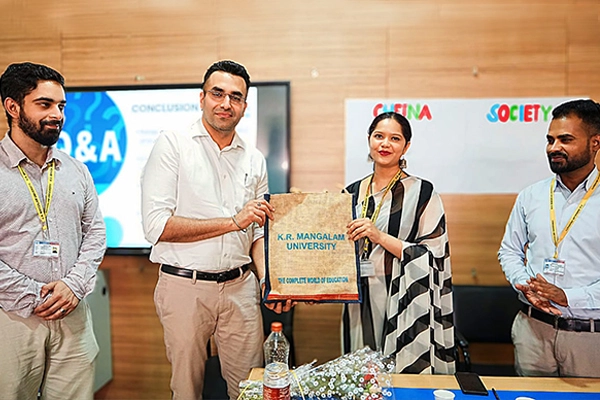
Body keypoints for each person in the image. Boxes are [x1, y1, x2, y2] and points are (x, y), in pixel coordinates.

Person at [141, 60, 291, 400]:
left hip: (241, 287)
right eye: (217, 94)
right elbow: (156, 226)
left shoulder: (254, 158)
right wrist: (233, 222)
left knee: (250, 390)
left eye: (235, 97)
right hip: (184, 287)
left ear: (245, 106)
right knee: (187, 390)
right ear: (202, 98)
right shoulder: (173, 144)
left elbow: (257, 232)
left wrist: (266, 280)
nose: (226, 103)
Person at [0, 62, 106, 399]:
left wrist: (73, 286)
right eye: (44, 104)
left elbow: (96, 234)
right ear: (13, 106)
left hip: (73, 314)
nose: (57, 115)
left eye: (61, 106)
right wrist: (36, 295)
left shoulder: (76, 170)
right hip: (12, 317)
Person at [343, 111, 455, 374]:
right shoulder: (350, 193)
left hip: (406, 298)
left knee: (401, 376)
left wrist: (379, 236)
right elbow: (336, 251)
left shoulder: (423, 192)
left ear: (406, 146)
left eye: (395, 138)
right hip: (358, 300)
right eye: (379, 136)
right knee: (361, 375)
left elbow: (434, 255)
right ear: (369, 139)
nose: (385, 144)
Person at [498, 99, 600, 377]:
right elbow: (509, 251)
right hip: (533, 331)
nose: (554, 147)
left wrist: (569, 297)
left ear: (595, 143)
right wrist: (524, 284)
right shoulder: (531, 196)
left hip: (589, 338)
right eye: (550, 140)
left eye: (566, 139)